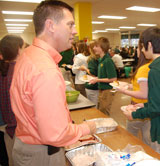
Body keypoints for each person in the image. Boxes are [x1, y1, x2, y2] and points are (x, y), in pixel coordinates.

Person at [10, 1, 96, 166]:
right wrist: (87, 128)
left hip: (25, 143)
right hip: (42, 153)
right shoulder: (45, 70)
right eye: (70, 25)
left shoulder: (28, 54)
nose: (75, 31)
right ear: (51, 25)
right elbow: (55, 134)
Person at [123, 27, 160, 164]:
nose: (142, 51)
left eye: (143, 47)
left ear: (149, 45)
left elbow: (157, 107)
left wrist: (134, 115)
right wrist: (144, 104)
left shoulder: (155, 71)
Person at [117, 45, 152, 146]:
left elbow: (144, 93)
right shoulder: (147, 66)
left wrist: (123, 91)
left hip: (138, 106)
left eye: (139, 48)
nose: (137, 50)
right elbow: (144, 86)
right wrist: (129, 85)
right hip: (148, 106)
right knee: (147, 138)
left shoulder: (144, 69)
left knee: (131, 136)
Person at [0, 35, 24, 166]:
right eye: (24, 47)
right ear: (18, 50)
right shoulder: (19, 70)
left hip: (7, 128)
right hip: (18, 129)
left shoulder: (4, 68)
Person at [89, 37, 117, 115]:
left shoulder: (107, 61)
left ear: (102, 48)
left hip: (107, 90)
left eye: (96, 46)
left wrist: (97, 80)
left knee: (104, 112)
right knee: (101, 111)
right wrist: (96, 78)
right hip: (102, 90)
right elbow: (104, 76)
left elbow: (113, 78)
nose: (94, 48)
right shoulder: (101, 60)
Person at [84, 40, 99, 107]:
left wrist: (85, 69)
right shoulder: (101, 57)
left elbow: (92, 73)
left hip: (92, 85)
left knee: (93, 105)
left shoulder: (92, 59)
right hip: (99, 85)